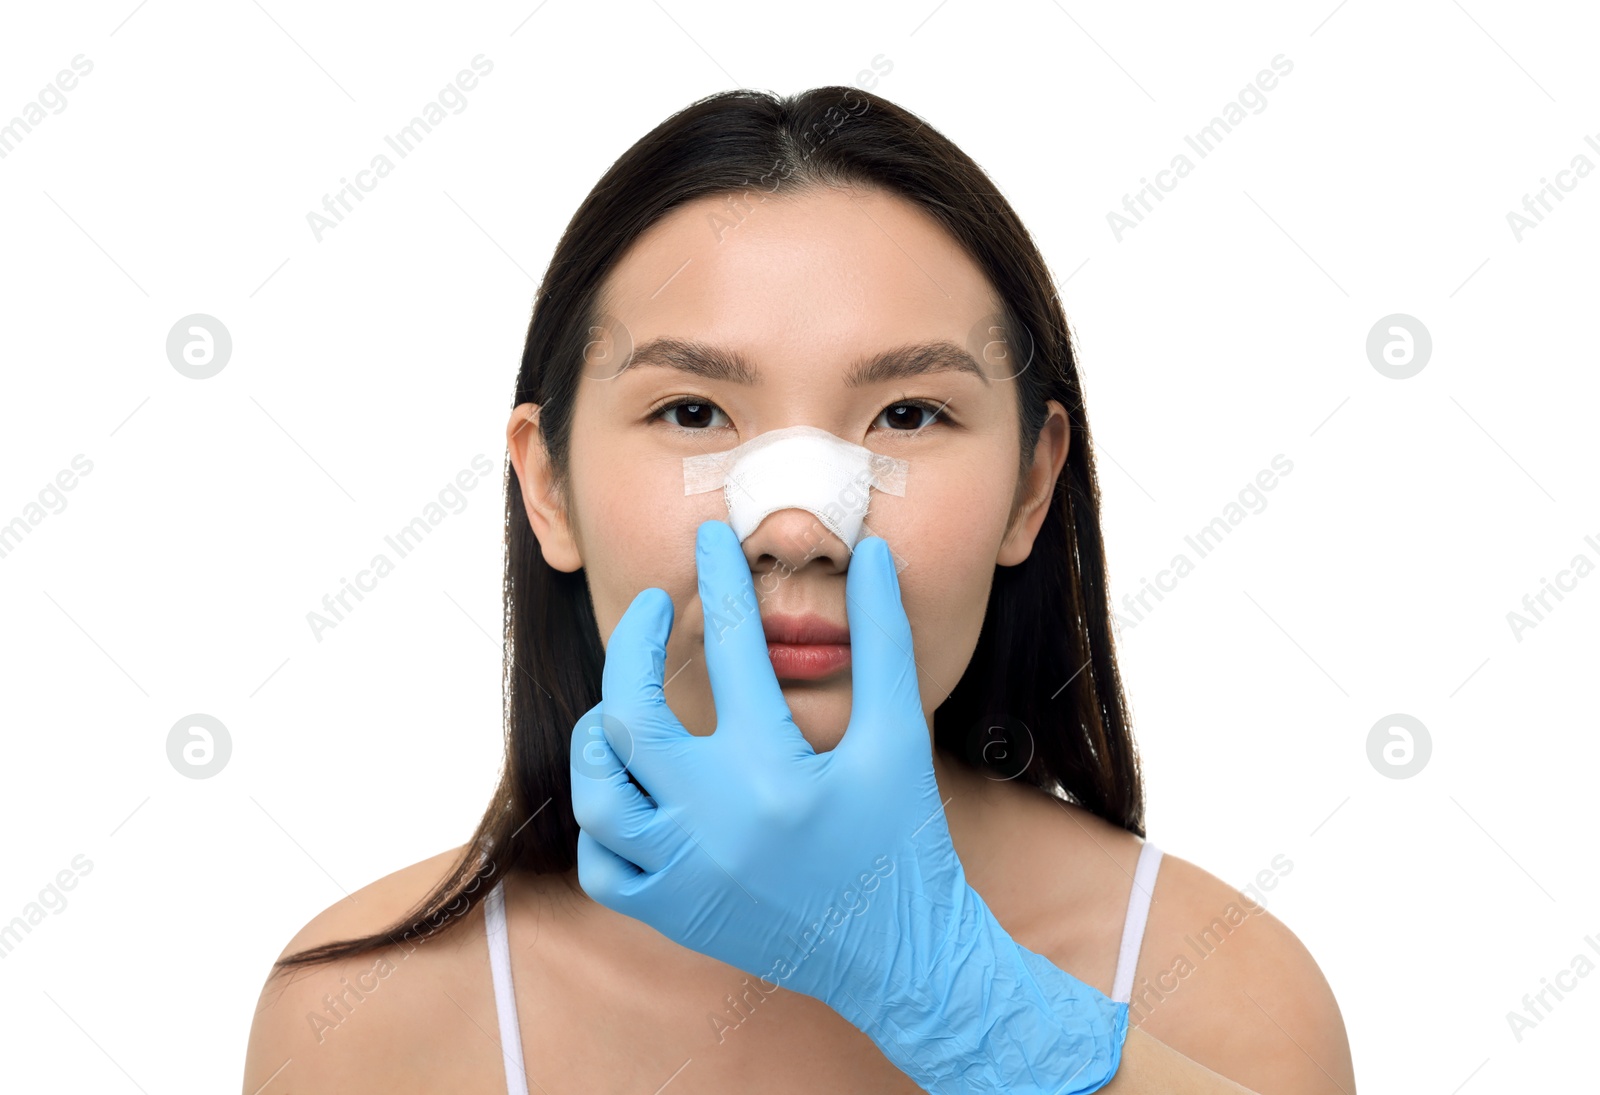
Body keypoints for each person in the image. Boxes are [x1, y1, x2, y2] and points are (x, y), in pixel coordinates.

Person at [243, 86, 1355, 1093]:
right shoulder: (366, 1024)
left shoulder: (1223, 994)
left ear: (1030, 485)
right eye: (691, 413)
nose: (795, 530)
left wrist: (977, 1011)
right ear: (549, 488)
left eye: (908, 416)